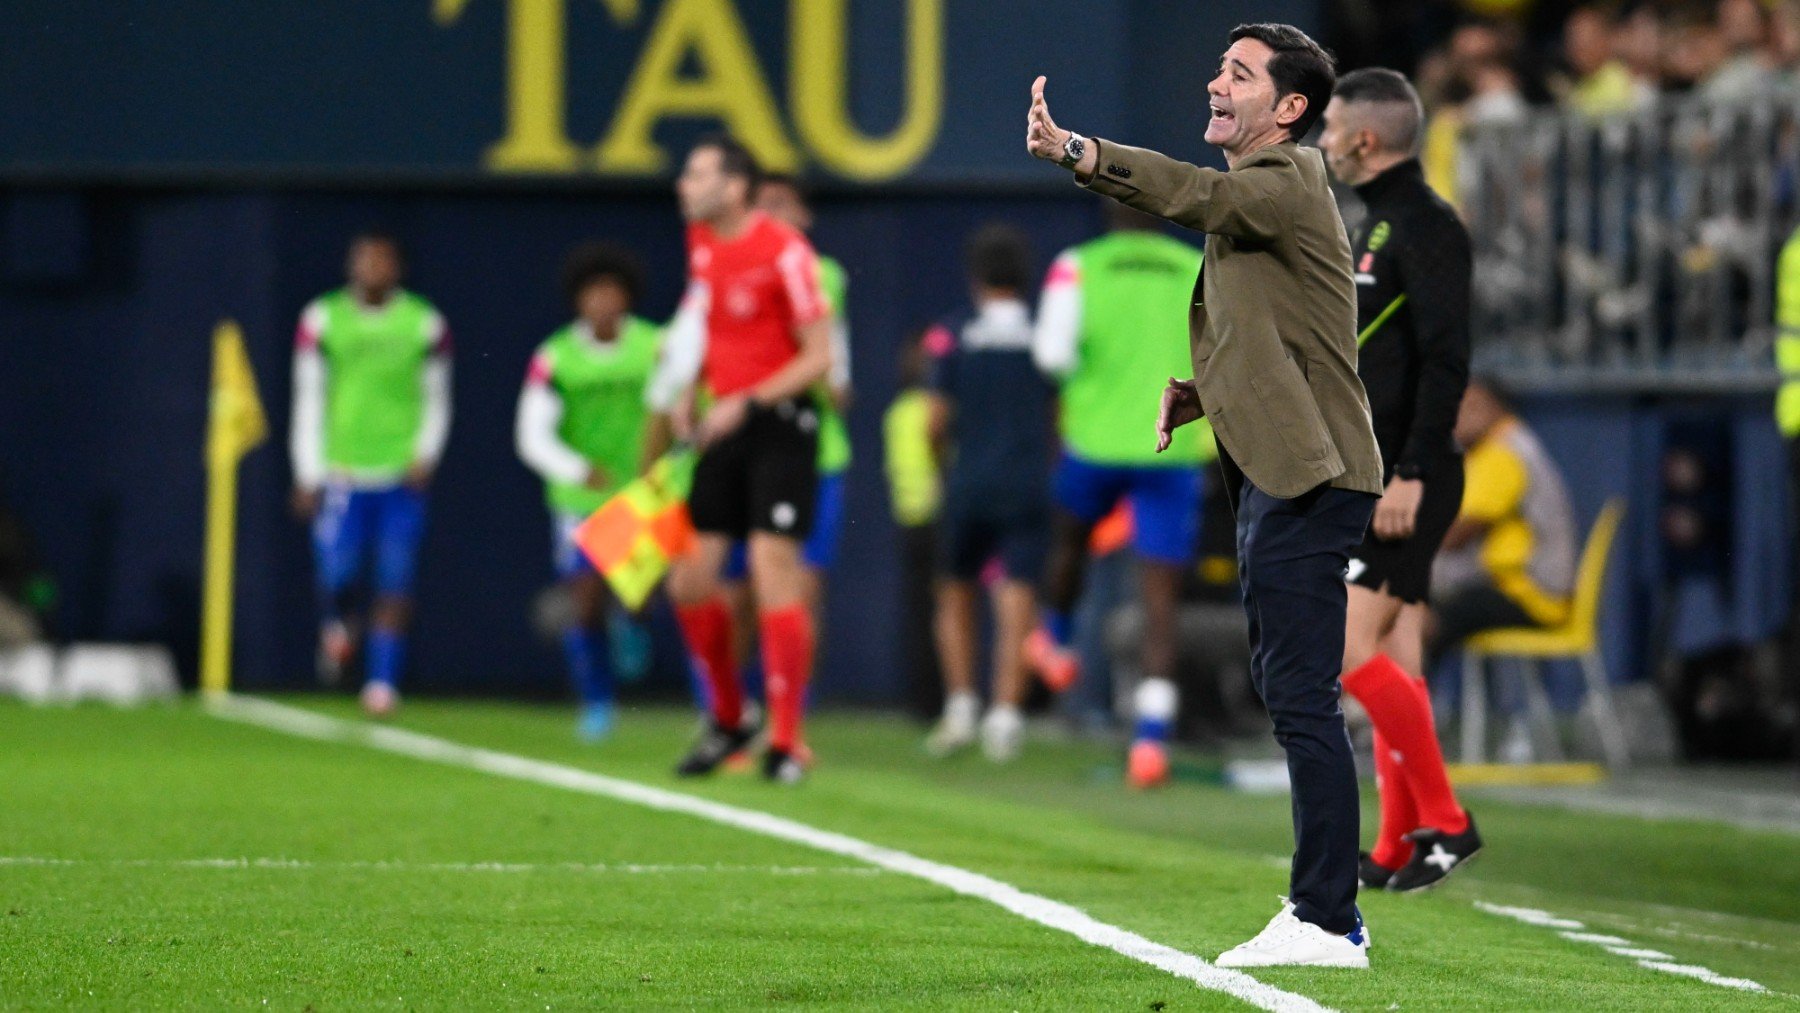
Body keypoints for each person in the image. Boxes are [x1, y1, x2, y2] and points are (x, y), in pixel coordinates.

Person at [1028, 22, 1385, 968]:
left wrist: (1082, 152)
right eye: (1219, 66)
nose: (1216, 83)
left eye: (1239, 73)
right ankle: (1321, 909)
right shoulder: (1273, 197)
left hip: (1311, 474)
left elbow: (1192, 194)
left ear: (1290, 108)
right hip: (1287, 464)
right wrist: (1203, 393)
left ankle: (1326, 918)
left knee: (1303, 697)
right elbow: (1291, 333)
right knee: (1290, 691)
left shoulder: (1280, 181)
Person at [1317, 68, 1481, 894]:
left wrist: (1410, 470)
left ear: (1365, 139)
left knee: (1347, 652)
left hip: (1408, 476)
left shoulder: (1427, 226)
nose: (1322, 140)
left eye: (1331, 125)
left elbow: (1448, 362)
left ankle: (1449, 821)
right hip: (1379, 471)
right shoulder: (1379, 224)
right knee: (1395, 654)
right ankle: (1392, 842)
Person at [645, 135, 833, 785]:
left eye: (695, 173)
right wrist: (687, 393)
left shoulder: (785, 251)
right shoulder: (702, 244)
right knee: (687, 580)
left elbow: (818, 359)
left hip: (780, 425)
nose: (682, 184)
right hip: (722, 424)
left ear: (734, 187)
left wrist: (747, 401)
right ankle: (730, 717)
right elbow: (710, 325)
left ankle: (787, 741)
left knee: (770, 565)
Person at [1026, 200, 1211, 789]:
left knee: (1070, 542)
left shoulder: (1076, 266)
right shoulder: (1196, 266)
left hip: (1096, 441)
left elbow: (1051, 356)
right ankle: (1150, 744)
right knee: (1161, 604)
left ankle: (1055, 638)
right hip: (1174, 447)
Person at [290, 231, 451, 717]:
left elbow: (438, 397)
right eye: (364, 260)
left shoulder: (424, 322)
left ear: (397, 268)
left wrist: (427, 452)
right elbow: (309, 397)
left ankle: (382, 684)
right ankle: (339, 624)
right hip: (341, 470)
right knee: (338, 574)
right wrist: (306, 471)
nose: (373, 268)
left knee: (395, 581)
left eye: (382, 260)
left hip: (400, 473)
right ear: (350, 265)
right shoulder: (321, 319)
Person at [715, 174, 855, 708]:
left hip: (817, 454)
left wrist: (823, 378)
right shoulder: (727, 265)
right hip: (744, 449)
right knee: (738, 591)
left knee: (802, 591)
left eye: (781, 204)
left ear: (804, 216)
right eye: (762, 205)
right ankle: (736, 706)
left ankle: (789, 714)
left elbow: (834, 374)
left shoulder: (823, 276)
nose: (771, 215)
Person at [515, 242, 661, 742]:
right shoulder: (556, 356)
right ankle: (597, 702)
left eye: (611, 291)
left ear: (628, 297)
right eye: (592, 292)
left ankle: (633, 623)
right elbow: (531, 434)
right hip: (579, 500)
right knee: (585, 600)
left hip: (643, 494)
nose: (602, 301)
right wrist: (576, 469)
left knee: (639, 597)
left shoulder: (654, 347)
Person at [921, 225, 1054, 763]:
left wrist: (941, 470)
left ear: (974, 274)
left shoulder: (953, 334)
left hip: (969, 481)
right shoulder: (1043, 334)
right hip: (1026, 482)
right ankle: (1005, 716)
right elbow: (1059, 414)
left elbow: (933, 421)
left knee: (955, 593)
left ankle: (959, 708)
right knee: (1016, 598)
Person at [1430, 379, 1577, 656]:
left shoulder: (1503, 453)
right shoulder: (1512, 443)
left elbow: (1453, 537)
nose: (1455, 417)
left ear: (1493, 406)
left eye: (1469, 406)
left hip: (1531, 594)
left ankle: (1392, 697)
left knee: (1417, 616)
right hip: (1523, 588)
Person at [884, 328, 946, 719]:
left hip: (910, 523)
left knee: (921, 612)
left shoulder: (897, 412)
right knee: (940, 611)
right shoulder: (933, 409)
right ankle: (936, 700)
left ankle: (926, 702)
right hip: (933, 520)